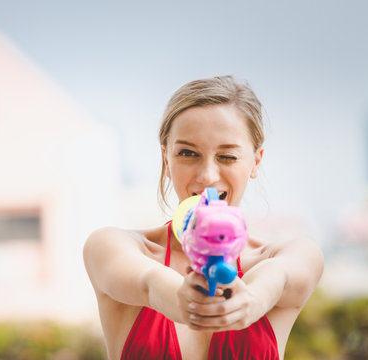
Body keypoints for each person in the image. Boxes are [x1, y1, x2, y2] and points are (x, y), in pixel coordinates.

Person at [83, 75, 324, 360]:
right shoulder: (112, 246)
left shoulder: (291, 254)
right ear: (166, 158)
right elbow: (149, 283)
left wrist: (253, 300)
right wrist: (180, 296)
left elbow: (279, 278)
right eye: (188, 153)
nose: (208, 176)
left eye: (227, 157)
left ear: (256, 161)